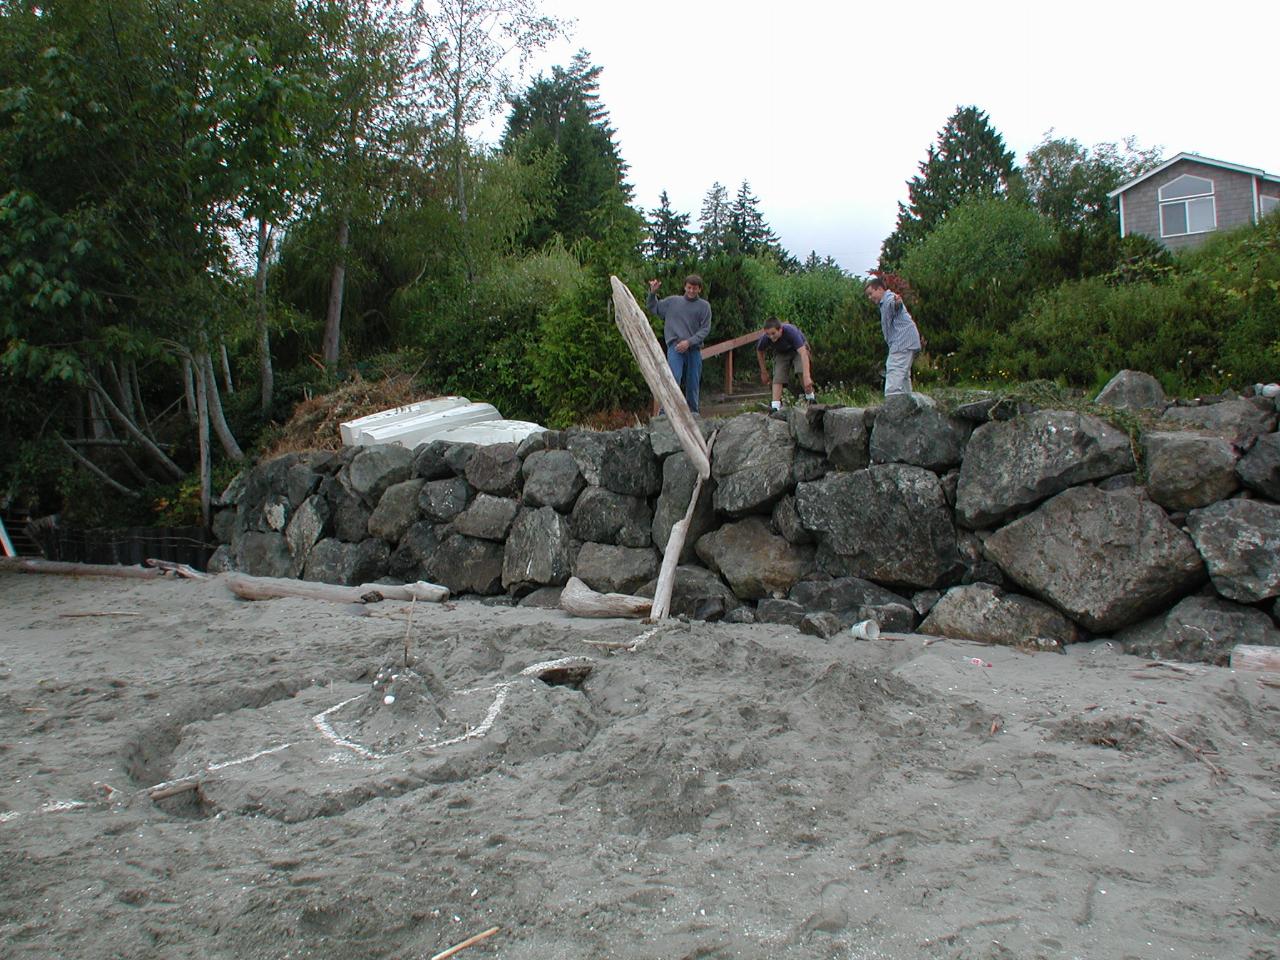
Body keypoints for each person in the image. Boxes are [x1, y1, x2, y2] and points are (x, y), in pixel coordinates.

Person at [646, 274, 712, 414]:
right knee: (673, 378)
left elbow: (705, 329)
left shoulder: (704, 306)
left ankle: (693, 413)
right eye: (689, 288)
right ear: (685, 287)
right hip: (675, 348)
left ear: (699, 289)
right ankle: (665, 412)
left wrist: (689, 342)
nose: (691, 291)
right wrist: (652, 292)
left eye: (695, 288)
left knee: (693, 383)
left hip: (693, 349)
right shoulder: (672, 302)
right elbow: (654, 308)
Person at [864, 277, 921, 396]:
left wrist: (897, 302)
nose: (870, 298)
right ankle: (908, 404)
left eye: (871, 294)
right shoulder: (884, 302)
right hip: (908, 341)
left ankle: (892, 405)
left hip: (902, 342)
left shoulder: (888, 298)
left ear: (879, 289)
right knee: (904, 376)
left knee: (894, 373)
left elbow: (895, 304)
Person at [756, 317, 815, 412]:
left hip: (798, 350)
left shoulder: (791, 332)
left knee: (801, 370)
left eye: (773, 333)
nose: (771, 337)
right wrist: (763, 371)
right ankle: (775, 406)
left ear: (780, 330)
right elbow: (760, 351)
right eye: (768, 334)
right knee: (778, 376)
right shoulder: (765, 338)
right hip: (781, 352)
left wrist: (807, 376)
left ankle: (810, 398)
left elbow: (803, 353)